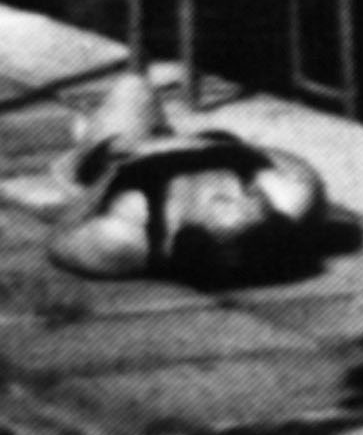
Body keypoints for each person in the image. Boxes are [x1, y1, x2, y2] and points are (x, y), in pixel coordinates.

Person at [48, 66, 334, 288]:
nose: (248, 192)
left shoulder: (130, 235)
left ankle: (84, 140)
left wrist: (119, 168)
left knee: (132, 87)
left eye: (233, 201)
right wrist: (198, 147)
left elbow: (60, 238)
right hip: (200, 143)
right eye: (251, 195)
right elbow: (291, 165)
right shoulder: (286, 201)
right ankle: (109, 129)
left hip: (117, 157)